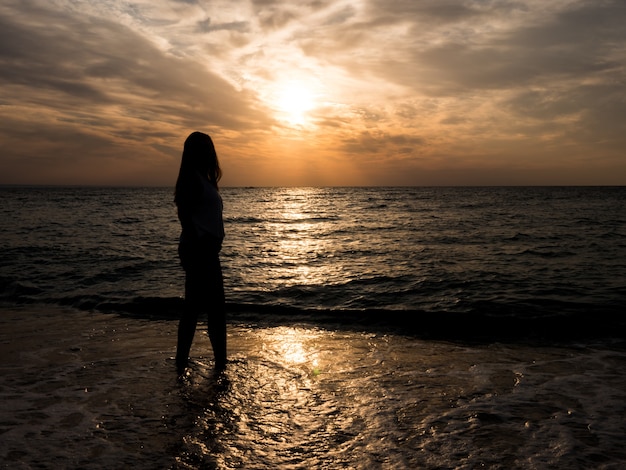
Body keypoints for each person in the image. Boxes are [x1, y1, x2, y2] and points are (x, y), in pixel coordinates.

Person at [174, 131, 226, 376]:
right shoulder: (192, 180)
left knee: (202, 308)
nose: (210, 153)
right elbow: (185, 215)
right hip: (200, 251)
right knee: (207, 309)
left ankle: (189, 361)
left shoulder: (203, 180)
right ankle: (216, 364)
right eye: (206, 148)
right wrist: (199, 243)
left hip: (206, 250)